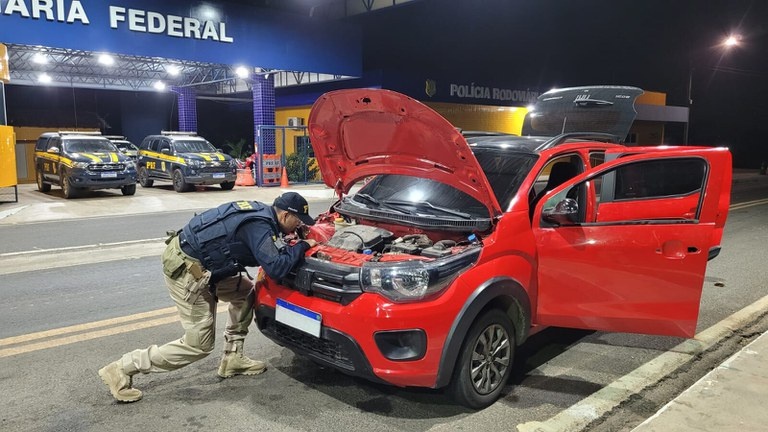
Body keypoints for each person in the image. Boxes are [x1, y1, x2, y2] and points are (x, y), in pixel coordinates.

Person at [98, 192, 318, 403]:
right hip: (188, 271)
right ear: (285, 215)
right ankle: (122, 368)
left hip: (207, 268)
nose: (299, 225)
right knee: (199, 345)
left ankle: (232, 358)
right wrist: (302, 246)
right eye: (298, 220)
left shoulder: (262, 213)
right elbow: (277, 267)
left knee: (247, 291)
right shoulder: (259, 226)